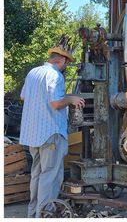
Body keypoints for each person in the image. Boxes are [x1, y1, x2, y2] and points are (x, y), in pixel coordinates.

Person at [19, 45, 85, 218]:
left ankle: (33, 213)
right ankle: (45, 216)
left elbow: (23, 96)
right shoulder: (55, 75)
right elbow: (56, 103)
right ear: (62, 60)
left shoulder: (33, 72)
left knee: (37, 175)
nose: (65, 67)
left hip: (33, 134)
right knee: (50, 177)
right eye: (66, 63)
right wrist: (71, 98)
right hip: (51, 133)